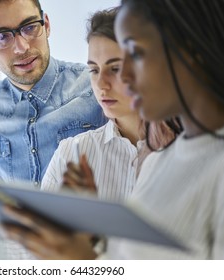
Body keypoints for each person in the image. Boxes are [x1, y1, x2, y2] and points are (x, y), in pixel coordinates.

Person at [0, 0, 224, 259]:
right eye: (95, 69)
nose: (122, 77)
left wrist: (83, 261)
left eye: (135, 54)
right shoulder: (158, 161)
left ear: (194, 52)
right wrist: (89, 236)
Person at [0, 0, 107, 184]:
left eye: (30, 27)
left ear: (46, 25)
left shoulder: (96, 86)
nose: (22, 48)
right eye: (1, 37)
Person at [40, 7, 177, 202]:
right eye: (94, 70)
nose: (101, 84)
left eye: (115, 68)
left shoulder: (189, 149)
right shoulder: (71, 154)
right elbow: (43, 229)